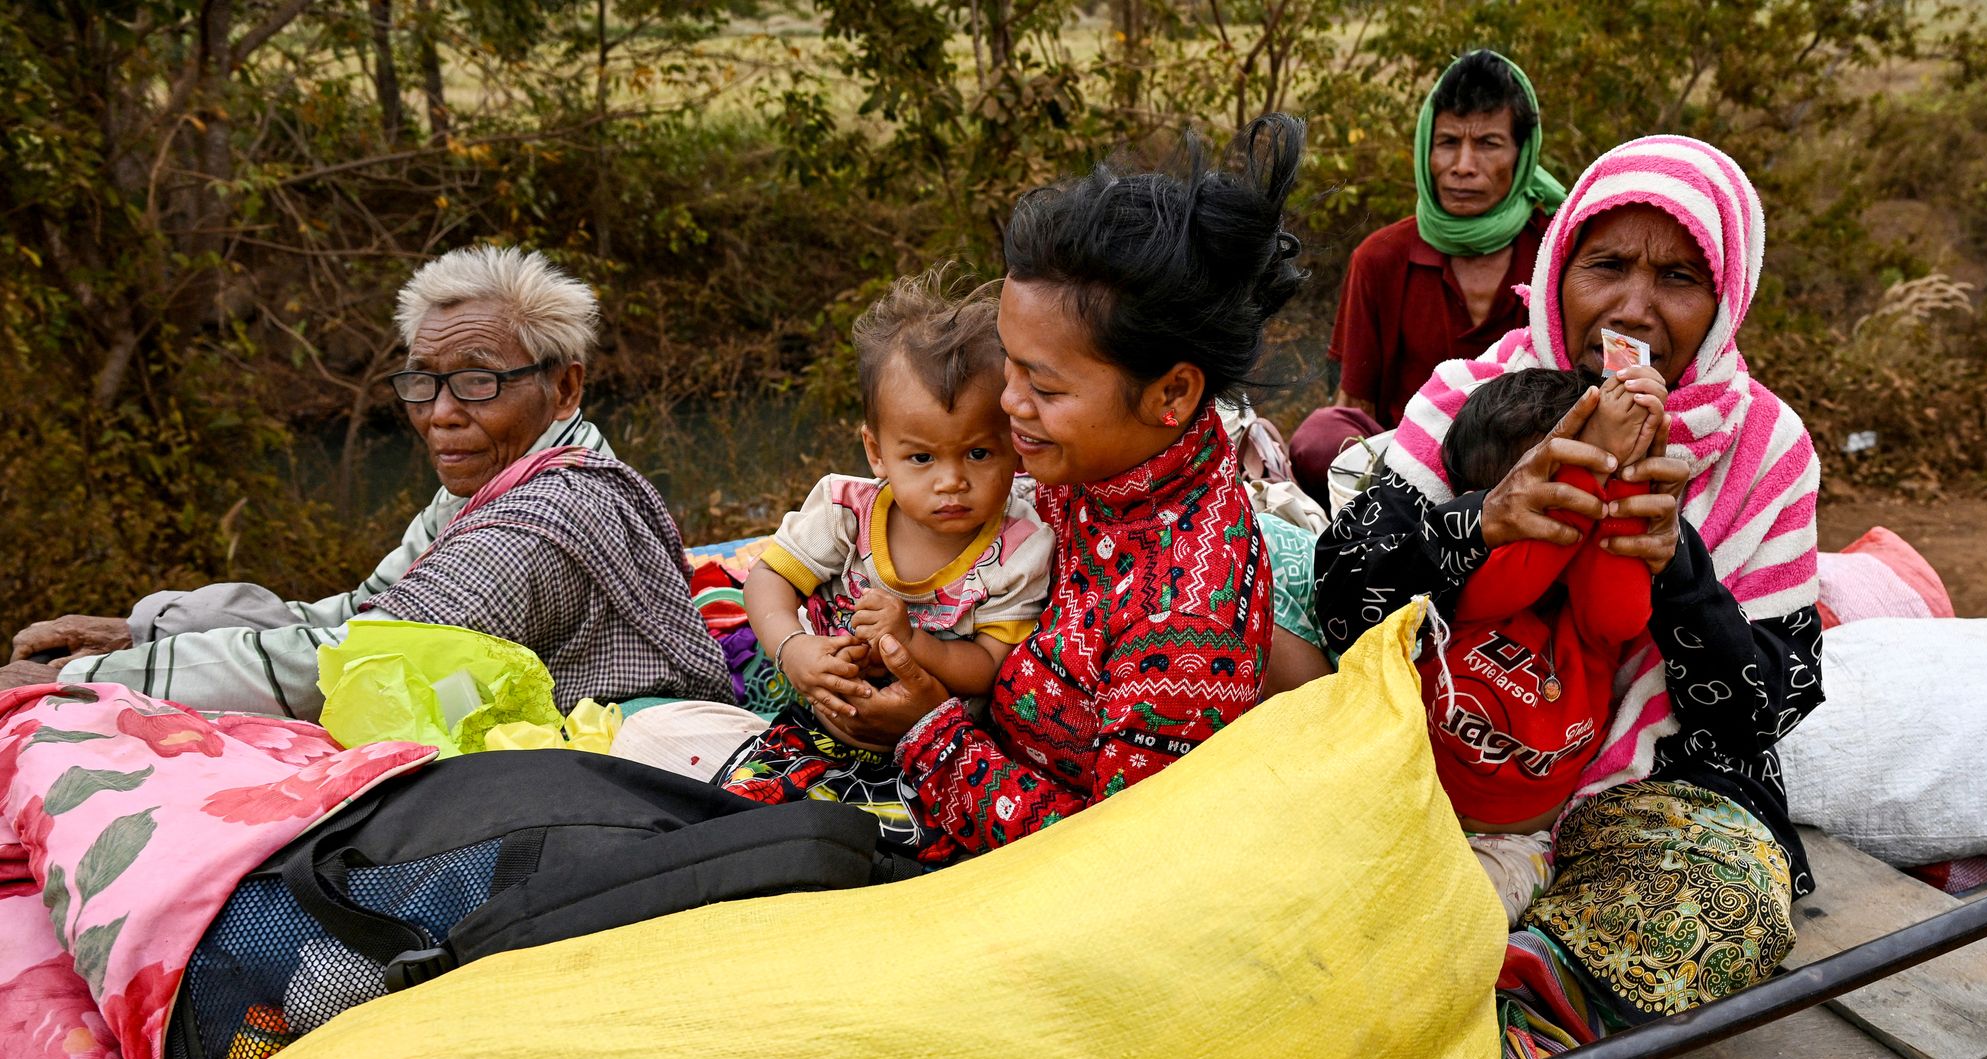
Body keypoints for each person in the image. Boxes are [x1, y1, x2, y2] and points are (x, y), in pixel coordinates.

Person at [1315, 135, 1824, 1021]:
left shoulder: (1765, 448)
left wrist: (1676, 566)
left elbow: (1765, 708)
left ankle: (1503, 984)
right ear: (1557, 271)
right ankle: (1488, 984)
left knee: (1727, 907)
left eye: (1678, 278)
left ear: (1725, 296)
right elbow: (1343, 603)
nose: (1634, 308)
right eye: (1608, 265)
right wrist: (1481, 523)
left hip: (1640, 802)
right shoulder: (1473, 391)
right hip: (1430, 759)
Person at [819, 115, 1304, 864]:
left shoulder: (1183, 616)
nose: (1008, 403)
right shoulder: (1084, 472)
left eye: (1042, 384)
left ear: (1170, 391)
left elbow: (1121, 862)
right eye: (1007, 365)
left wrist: (927, 732)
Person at [4, 246, 733, 717]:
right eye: (424, 383)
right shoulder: (488, 485)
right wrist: (148, 626)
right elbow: (359, 610)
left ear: (564, 387)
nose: (440, 415)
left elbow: (353, 660)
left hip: (623, 777)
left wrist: (98, 675)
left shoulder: (544, 520)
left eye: (478, 381)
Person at [722, 271, 1052, 847]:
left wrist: (915, 643)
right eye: (921, 457)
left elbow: (989, 664)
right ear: (877, 451)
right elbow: (769, 580)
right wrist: (793, 649)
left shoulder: (1020, 548)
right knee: (738, 813)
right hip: (819, 723)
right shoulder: (846, 511)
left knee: (891, 850)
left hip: (928, 749)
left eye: (978, 453)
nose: (952, 482)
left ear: (1014, 447)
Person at [1421, 365, 1667, 921]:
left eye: (1580, 481)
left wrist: (1624, 466)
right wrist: (1589, 466)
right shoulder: (1467, 590)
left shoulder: (1588, 617)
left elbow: (1622, 610)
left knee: (1455, 922)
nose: (1564, 505)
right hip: (1403, 806)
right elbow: (1526, 565)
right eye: (1548, 487)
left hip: (1509, 849)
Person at [1289, 50, 1566, 508]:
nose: (1463, 164)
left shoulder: (1558, 254)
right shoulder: (1380, 259)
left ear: (1522, 155)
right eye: (1447, 142)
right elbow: (1354, 405)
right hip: (1402, 470)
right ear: (1425, 150)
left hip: (1529, 470)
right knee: (1319, 439)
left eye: (1489, 144)